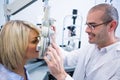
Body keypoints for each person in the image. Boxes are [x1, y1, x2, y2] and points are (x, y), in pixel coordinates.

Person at [44, 3, 120, 80]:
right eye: (87, 25)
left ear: (111, 26)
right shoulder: (91, 47)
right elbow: (66, 58)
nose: (86, 30)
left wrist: (62, 76)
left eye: (92, 26)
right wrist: (51, 40)